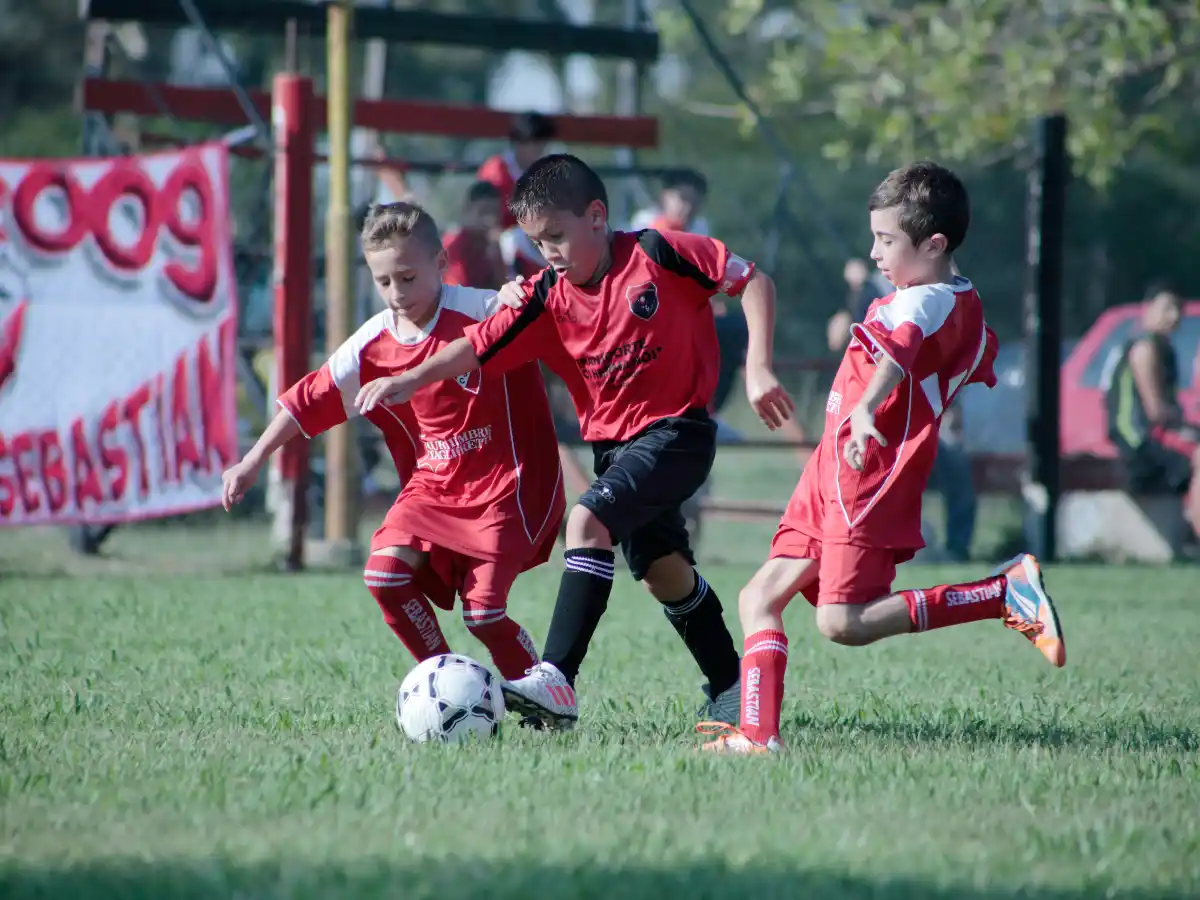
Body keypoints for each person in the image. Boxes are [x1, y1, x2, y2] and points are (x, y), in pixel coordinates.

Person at [356, 154, 794, 730]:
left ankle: (557, 678)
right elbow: (475, 345)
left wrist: (758, 367)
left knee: (585, 521)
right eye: (539, 243)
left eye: (557, 237)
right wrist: (408, 379)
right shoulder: (544, 296)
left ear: (596, 216)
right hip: (614, 448)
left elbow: (752, 280)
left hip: (677, 433)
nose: (549, 253)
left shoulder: (660, 252)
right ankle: (733, 686)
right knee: (665, 572)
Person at [697, 161, 1067, 755]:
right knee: (758, 598)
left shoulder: (927, 303)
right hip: (832, 467)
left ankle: (1003, 594)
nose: (874, 253)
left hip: (865, 474)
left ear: (935, 244)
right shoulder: (947, 298)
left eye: (887, 241)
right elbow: (962, 349)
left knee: (842, 623)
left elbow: (902, 350)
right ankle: (758, 736)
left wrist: (869, 406)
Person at [221, 202, 570, 682]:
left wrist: (519, 294)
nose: (396, 293)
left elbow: (552, 312)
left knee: (485, 615)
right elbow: (307, 399)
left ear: (441, 263)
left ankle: (546, 695)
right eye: (383, 282)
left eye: (407, 278)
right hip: (432, 487)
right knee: (384, 576)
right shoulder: (371, 344)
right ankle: (448, 682)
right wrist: (252, 460)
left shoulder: (482, 310)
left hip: (503, 486)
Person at [829, 258, 977, 561]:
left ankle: (956, 550)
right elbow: (843, 342)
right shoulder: (873, 291)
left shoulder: (942, 297)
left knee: (957, 474)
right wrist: (855, 293)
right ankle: (877, 546)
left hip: (926, 417)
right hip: (882, 416)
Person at [1105, 282, 1200, 536]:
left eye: (1179, 309)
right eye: (1167, 307)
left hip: (1153, 440)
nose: (1174, 316)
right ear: (1147, 309)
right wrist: (1187, 426)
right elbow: (1156, 412)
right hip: (1137, 444)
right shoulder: (1145, 348)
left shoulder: (1164, 348)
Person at [477, 111, 557, 280]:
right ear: (518, 143)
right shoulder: (496, 171)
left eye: (542, 145)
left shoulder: (545, 174)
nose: (538, 151)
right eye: (534, 144)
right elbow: (484, 220)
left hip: (534, 244)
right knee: (514, 239)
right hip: (500, 245)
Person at [442, 181, 508, 291]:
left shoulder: (494, 246)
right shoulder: (453, 244)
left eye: (495, 212)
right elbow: (458, 291)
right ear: (467, 210)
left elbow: (502, 291)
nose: (490, 219)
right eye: (483, 212)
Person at [630, 169, 710, 236]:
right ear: (665, 196)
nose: (689, 207)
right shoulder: (643, 222)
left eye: (695, 202)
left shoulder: (700, 228)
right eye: (683, 199)